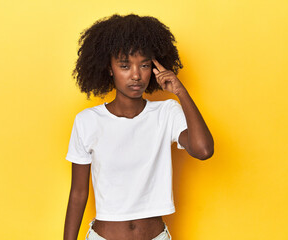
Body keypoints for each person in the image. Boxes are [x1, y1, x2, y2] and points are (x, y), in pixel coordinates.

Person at [64, 13, 214, 240]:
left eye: (144, 65)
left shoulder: (166, 113)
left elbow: (204, 150)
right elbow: (78, 193)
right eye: (125, 65)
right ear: (109, 68)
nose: (136, 75)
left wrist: (181, 91)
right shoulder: (87, 121)